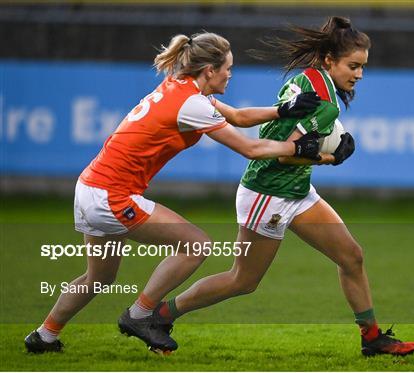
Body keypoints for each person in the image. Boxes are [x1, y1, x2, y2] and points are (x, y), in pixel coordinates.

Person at [24, 31, 322, 354]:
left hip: (90, 187)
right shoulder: (193, 104)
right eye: (227, 68)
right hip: (112, 195)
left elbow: (236, 116)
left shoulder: (183, 87)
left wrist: (283, 109)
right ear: (209, 70)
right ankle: (138, 315)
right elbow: (249, 148)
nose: (230, 74)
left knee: (98, 278)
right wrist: (296, 146)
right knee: (196, 245)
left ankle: (44, 335)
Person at [151, 17, 414, 357]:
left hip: (296, 190)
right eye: (353, 66)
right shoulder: (325, 102)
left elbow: (292, 137)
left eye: (363, 67)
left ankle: (372, 338)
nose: (359, 74)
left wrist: (326, 145)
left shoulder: (307, 78)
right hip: (269, 192)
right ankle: (159, 316)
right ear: (329, 61)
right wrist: (330, 158)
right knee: (243, 280)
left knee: (351, 256)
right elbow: (287, 156)